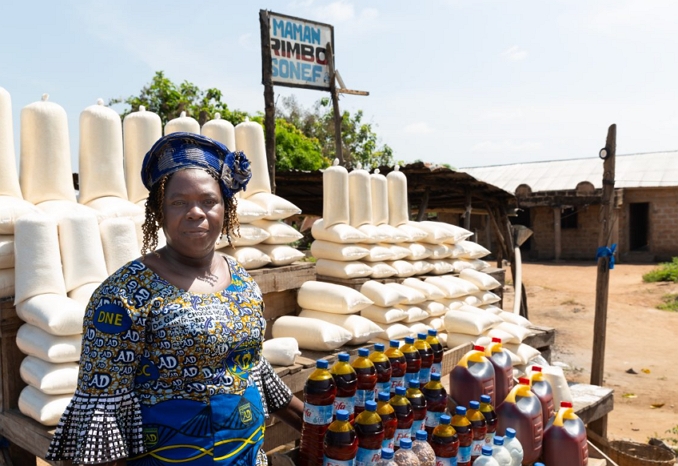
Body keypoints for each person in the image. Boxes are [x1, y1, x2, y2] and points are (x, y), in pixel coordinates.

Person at [47, 132, 304, 465]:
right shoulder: (123, 295)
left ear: (226, 208)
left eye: (208, 200)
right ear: (159, 213)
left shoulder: (242, 281)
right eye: (179, 202)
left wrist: (315, 422)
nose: (195, 212)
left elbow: (251, 367)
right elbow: (101, 410)